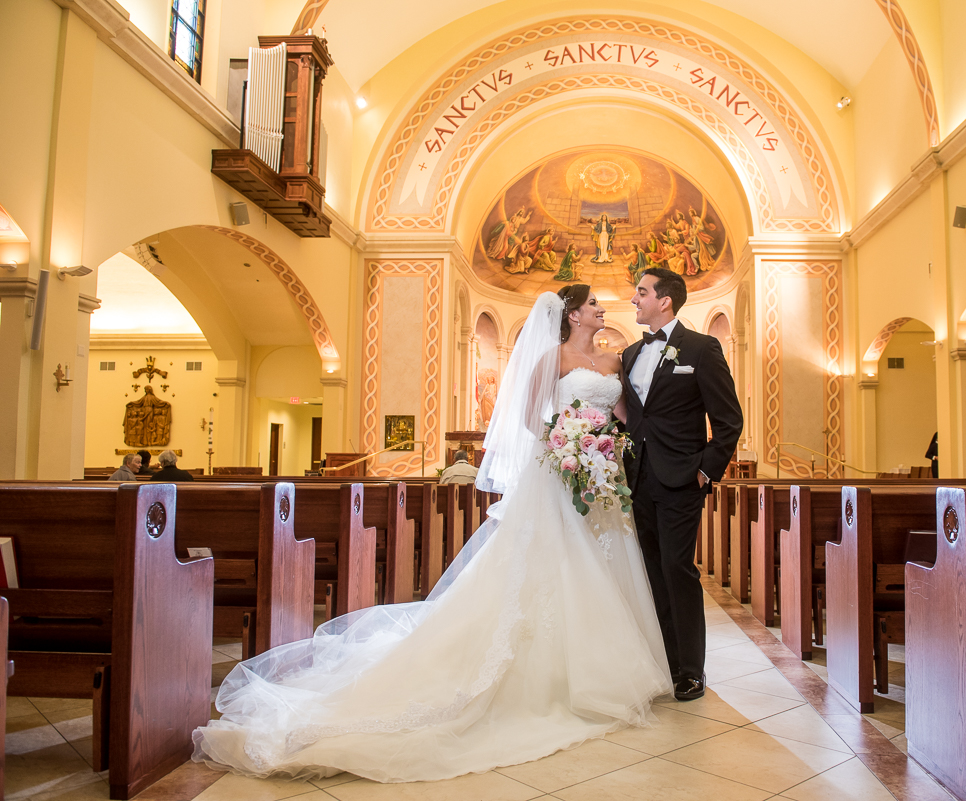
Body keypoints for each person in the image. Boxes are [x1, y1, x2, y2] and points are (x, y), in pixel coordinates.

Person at [192, 285, 671, 783]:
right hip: (561, 469)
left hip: (603, 477)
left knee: (604, 562)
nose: (601, 308)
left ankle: (604, 666)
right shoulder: (550, 358)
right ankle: (554, 677)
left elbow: (625, 421)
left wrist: (607, 449)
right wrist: (571, 444)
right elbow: (529, 419)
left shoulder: (615, 363)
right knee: (555, 567)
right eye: (593, 303)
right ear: (572, 314)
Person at [622, 267, 743, 701]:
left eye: (641, 292)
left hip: (681, 479)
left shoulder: (701, 347)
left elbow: (729, 420)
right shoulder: (631, 354)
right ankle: (663, 663)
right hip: (636, 479)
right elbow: (633, 418)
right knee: (651, 572)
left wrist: (706, 468)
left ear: (665, 300)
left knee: (678, 569)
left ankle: (690, 669)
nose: (634, 300)